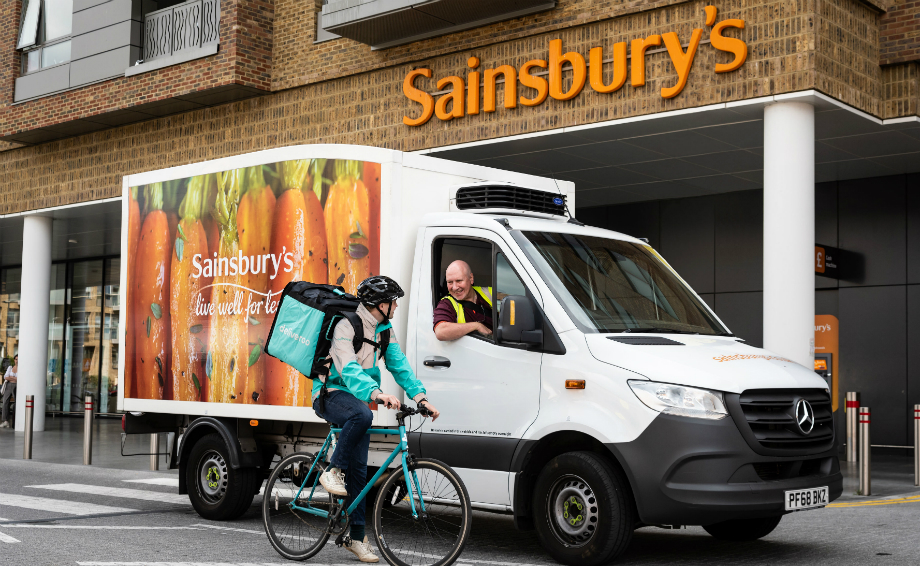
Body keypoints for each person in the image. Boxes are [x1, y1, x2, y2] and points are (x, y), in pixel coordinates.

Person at [314, 275, 440, 563]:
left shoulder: (384, 329)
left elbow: (399, 364)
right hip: (330, 392)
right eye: (393, 301)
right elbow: (348, 369)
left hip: (357, 398)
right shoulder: (346, 325)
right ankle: (331, 470)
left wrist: (420, 397)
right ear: (381, 304)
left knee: (360, 471)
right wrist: (376, 392)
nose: (396, 306)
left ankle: (356, 538)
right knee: (362, 414)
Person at [433, 260, 493, 341]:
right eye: (450, 282)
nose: (454, 287)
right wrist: (476, 326)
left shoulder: (489, 293)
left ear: (471, 278)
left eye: (459, 281)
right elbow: (440, 332)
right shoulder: (446, 303)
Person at [1, 354, 18, 428]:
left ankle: (17, 420)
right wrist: (15, 378)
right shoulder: (10, 367)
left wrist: (11, 377)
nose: (17, 361)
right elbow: (6, 377)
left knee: (17, 403)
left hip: (17, 386)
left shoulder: (23, 368)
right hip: (8, 385)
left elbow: (20, 379)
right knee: (5, 402)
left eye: (18, 359)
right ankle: (5, 421)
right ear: (14, 360)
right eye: (16, 359)